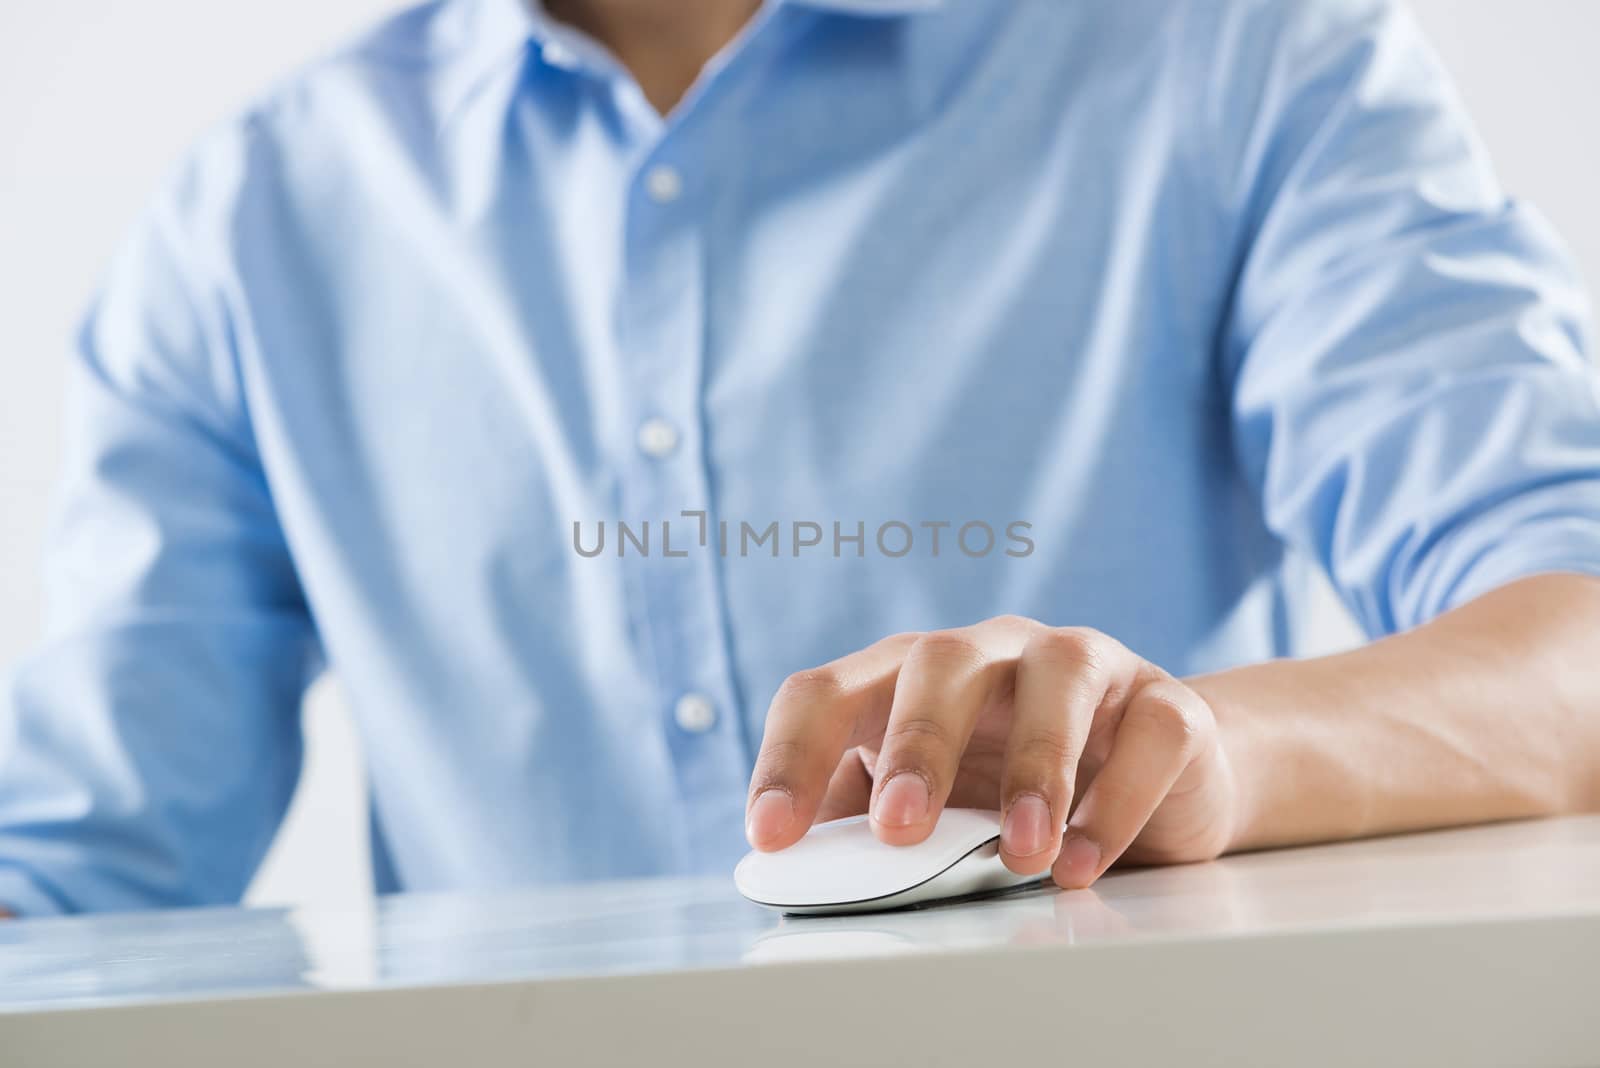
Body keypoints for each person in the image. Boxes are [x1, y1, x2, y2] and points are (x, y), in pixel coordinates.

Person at [2, 0, 1599, 919]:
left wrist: (1202, 757)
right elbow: (73, 870)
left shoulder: (1235, 53)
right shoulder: (253, 221)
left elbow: (1575, 634)